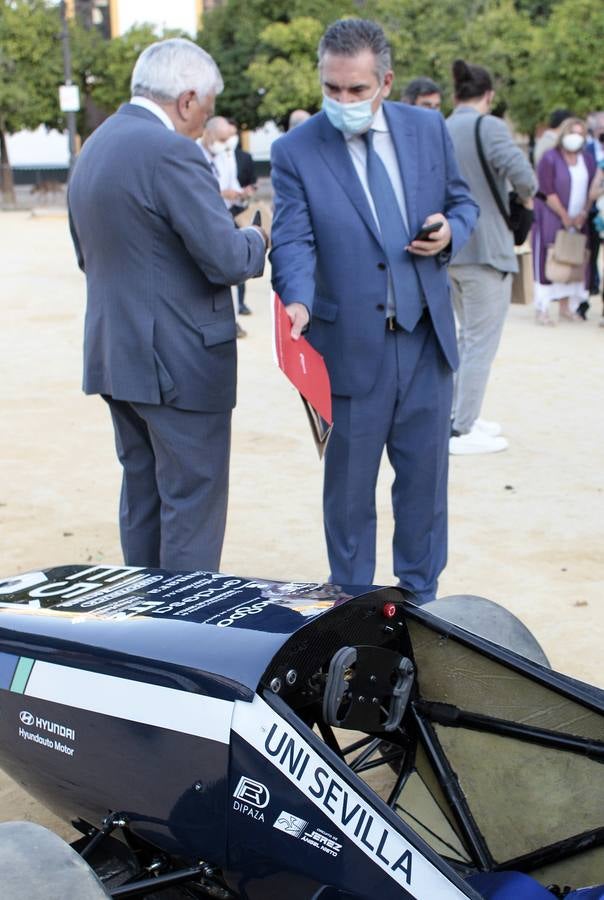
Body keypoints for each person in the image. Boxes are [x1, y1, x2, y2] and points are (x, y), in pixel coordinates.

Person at [270, 19, 478, 602]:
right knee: (349, 496)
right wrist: (298, 302)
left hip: (425, 343)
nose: (342, 102)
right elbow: (292, 239)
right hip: (348, 352)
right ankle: (354, 613)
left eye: (356, 91)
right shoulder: (295, 151)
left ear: (384, 82)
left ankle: (422, 604)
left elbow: (463, 203)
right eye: (331, 89)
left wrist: (449, 231)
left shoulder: (427, 129)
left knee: (424, 490)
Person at [68, 38, 266, 572]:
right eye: (206, 109)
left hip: (117, 355)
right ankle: (183, 637)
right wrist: (258, 239)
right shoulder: (172, 151)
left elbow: (89, 257)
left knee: (143, 499)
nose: (206, 122)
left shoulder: (97, 146)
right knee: (192, 508)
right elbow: (225, 258)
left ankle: (145, 624)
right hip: (179, 364)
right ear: (186, 99)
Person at [446, 59, 536, 455]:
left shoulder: (441, 128)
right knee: (481, 340)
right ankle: (462, 426)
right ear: (489, 96)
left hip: (450, 248)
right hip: (488, 248)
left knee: (466, 337)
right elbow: (526, 179)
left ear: (455, 95)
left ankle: (460, 413)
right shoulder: (490, 127)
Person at [532, 117, 599, 325]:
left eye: (580, 133)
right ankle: (542, 308)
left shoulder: (586, 159)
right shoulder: (550, 158)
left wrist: (583, 213)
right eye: (572, 132)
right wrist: (564, 215)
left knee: (572, 261)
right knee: (549, 259)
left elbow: (591, 190)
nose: (576, 137)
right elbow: (546, 190)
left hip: (578, 219)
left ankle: (566, 306)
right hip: (553, 216)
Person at [199, 116, 255, 332]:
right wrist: (222, 193)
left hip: (226, 217)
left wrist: (240, 193)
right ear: (208, 134)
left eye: (230, 138)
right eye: (223, 138)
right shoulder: (191, 153)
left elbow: (232, 183)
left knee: (232, 267)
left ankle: (232, 315)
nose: (227, 143)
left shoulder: (226, 155)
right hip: (205, 221)